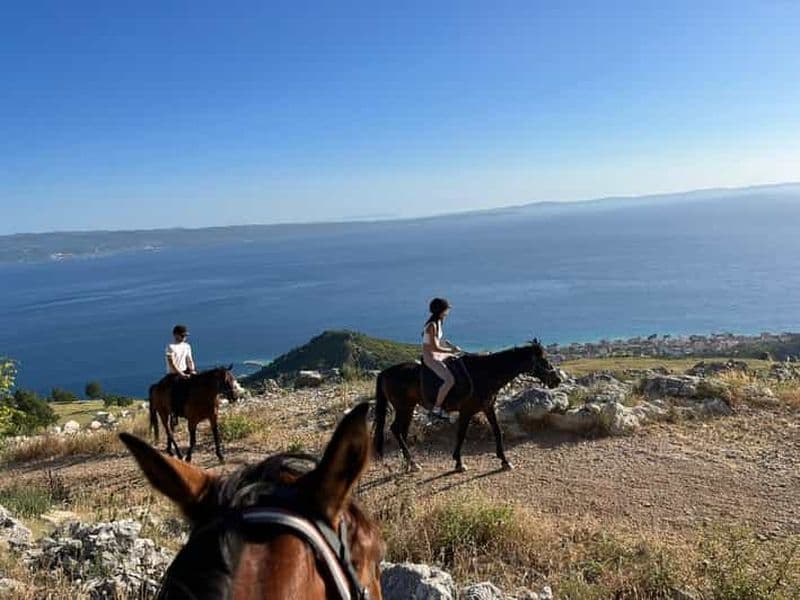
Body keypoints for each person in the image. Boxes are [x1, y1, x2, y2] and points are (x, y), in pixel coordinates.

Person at [422, 297, 462, 421]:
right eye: (446, 309)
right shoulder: (431, 326)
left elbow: (437, 342)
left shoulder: (438, 322)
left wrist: (449, 347)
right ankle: (436, 408)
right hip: (431, 357)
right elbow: (434, 347)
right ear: (441, 310)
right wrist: (451, 350)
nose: (448, 311)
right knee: (449, 380)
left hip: (437, 354)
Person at [165, 324, 196, 418]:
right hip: (173, 374)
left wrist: (192, 370)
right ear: (175, 335)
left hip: (185, 371)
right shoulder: (170, 347)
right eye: (182, 335)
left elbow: (189, 360)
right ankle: (174, 413)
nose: (184, 337)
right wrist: (181, 374)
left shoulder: (187, 346)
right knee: (176, 392)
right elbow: (172, 364)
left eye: (185, 336)